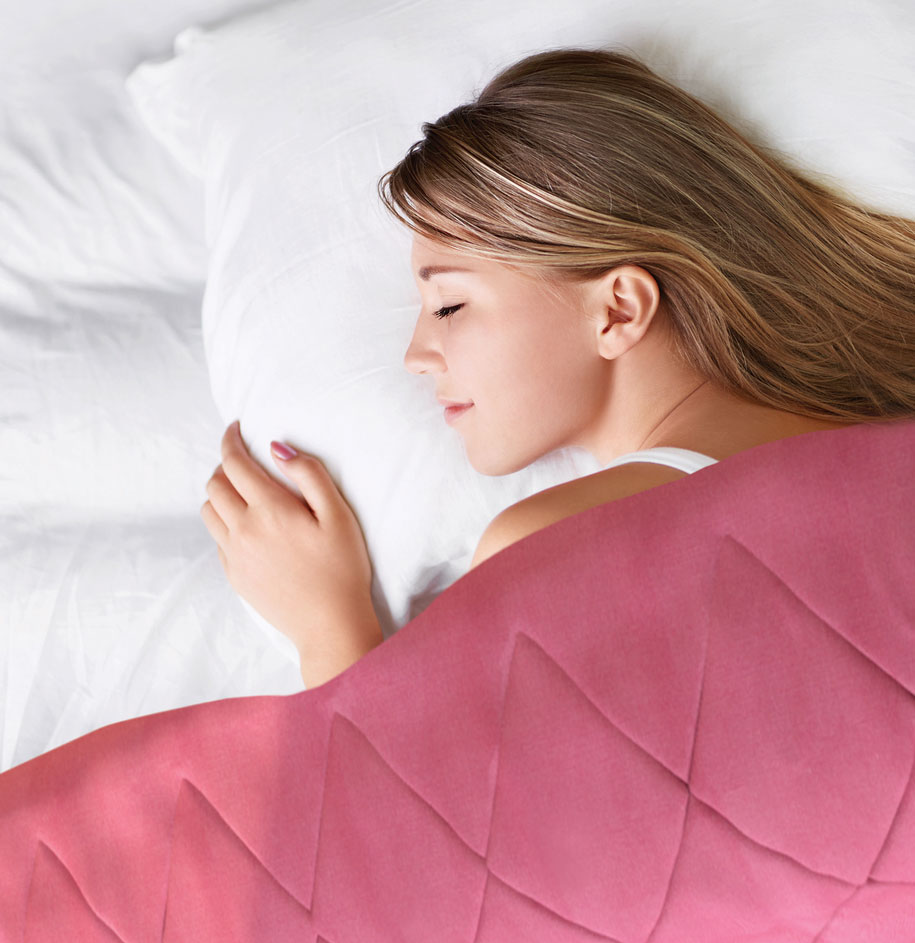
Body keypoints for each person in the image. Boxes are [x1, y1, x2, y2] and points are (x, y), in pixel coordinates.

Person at [202, 47, 915, 687]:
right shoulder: (884, 445)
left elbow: (431, 828)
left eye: (449, 305)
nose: (415, 356)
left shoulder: (555, 540)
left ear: (617, 310)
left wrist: (327, 626)